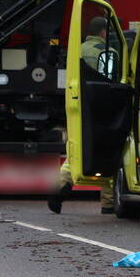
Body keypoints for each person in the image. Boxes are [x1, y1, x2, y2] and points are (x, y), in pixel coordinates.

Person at [48, 16, 116, 214]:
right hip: (102, 109)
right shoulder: (107, 53)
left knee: (75, 152)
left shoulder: (76, 51)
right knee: (109, 153)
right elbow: (112, 80)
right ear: (104, 32)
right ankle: (108, 202)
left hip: (77, 108)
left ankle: (58, 188)